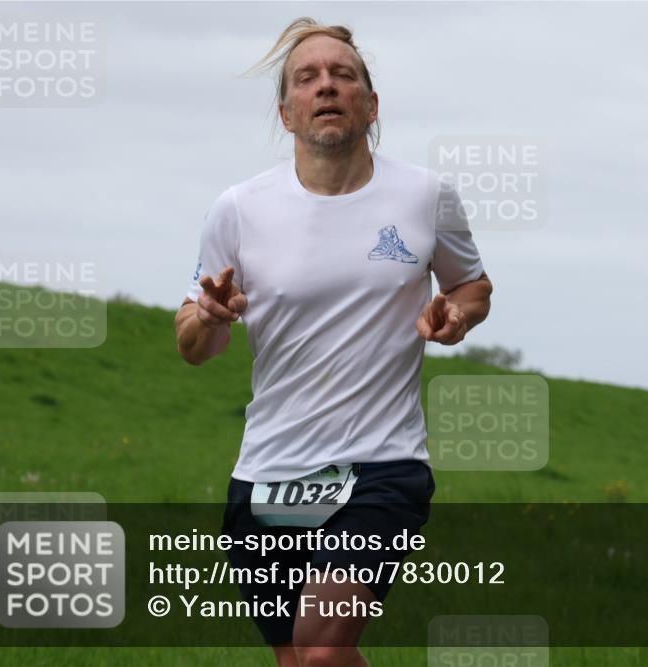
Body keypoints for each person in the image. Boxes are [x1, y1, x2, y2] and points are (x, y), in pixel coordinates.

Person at [174, 18, 493, 667]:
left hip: (381, 463)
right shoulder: (239, 209)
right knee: (297, 660)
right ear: (286, 113)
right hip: (269, 470)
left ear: (371, 106)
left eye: (342, 75)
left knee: (321, 647)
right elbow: (194, 344)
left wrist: (456, 316)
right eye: (307, 78)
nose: (326, 86)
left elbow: (473, 286)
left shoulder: (426, 196)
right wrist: (209, 316)